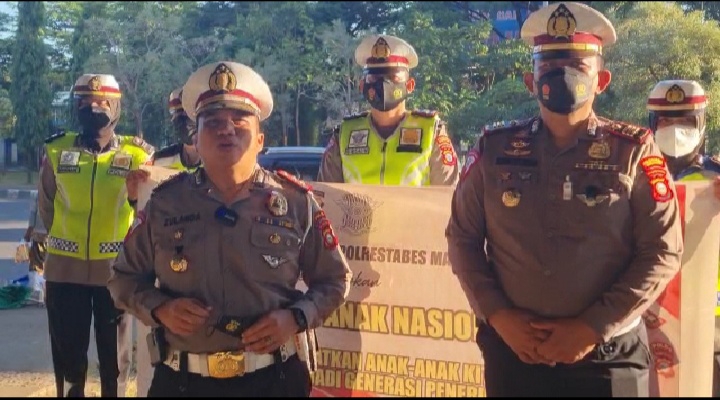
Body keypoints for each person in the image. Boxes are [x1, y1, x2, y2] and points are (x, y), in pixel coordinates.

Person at [445, 2, 684, 397]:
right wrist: (498, 315)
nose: (563, 76)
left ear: (601, 80)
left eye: (577, 66)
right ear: (530, 80)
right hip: (515, 353)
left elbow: (663, 250)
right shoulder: (493, 149)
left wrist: (593, 327)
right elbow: (462, 238)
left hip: (608, 356)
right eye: (550, 66)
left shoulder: (635, 151)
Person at [108, 61, 351, 397]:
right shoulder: (165, 203)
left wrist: (296, 318)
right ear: (196, 139)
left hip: (275, 380)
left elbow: (335, 279)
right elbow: (122, 279)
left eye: (239, 121)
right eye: (213, 122)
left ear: (260, 140)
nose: (227, 129)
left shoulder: (296, 202)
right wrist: (160, 308)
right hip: (183, 382)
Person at [38, 73, 154, 397]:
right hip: (64, 272)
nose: (94, 107)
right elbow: (46, 204)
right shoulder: (56, 150)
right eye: (85, 102)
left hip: (116, 273)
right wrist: (45, 239)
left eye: (103, 102)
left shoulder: (138, 154)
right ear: (75, 106)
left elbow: (146, 211)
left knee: (114, 360)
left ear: (116, 107)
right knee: (69, 357)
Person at [117, 87, 201, 398]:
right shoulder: (160, 161)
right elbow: (143, 216)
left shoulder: (223, 158)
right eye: (177, 117)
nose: (184, 123)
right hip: (167, 272)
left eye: (188, 115)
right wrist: (133, 197)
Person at [646, 80, 720, 395]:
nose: (675, 130)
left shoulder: (715, 177)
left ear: (701, 124)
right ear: (652, 124)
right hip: (651, 315)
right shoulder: (634, 176)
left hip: (709, 320)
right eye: (666, 121)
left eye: (686, 121)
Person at [317, 34, 459, 186]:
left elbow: (449, 194)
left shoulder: (431, 131)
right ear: (362, 86)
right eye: (374, 78)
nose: (383, 84)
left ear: (410, 85)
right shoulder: (343, 135)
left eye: (393, 78)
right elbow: (325, 194)